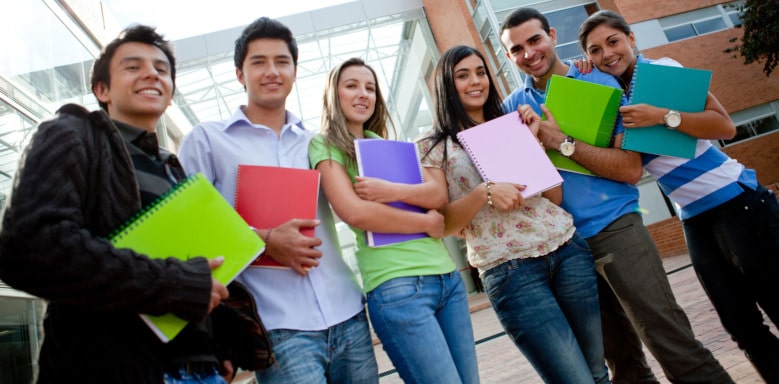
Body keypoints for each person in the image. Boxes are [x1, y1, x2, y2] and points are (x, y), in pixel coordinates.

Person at [498, 8, 735, 384]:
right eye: (516, 49)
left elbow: (630, 169)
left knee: (671, 343)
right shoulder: (512, 107)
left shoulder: (599, 83)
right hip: (565, 249)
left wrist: (561, 142)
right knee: (622, 365)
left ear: (552, 36)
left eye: (534, 40)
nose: (529, 53)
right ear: (508, 57)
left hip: (616, 229)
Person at [0, 25, 232, 383]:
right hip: (113, 368)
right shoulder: (71, 134)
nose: (152, 73)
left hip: (200, 370)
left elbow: (194, 269)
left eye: (161, 68)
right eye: (133, 66)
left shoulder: (174, 168)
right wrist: (176, 285)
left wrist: (215, 346)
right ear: (102, 89)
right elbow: (31, 246)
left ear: (170, 94)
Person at [579, 10, 779, 382]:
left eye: (612, 42)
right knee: (742, 327)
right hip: (694, 220)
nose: (606, 54)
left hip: (737, 202)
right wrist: (580, 75)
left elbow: (725, 125)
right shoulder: (610, 98)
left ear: (631, 38)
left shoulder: (663, 69)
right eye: (595, 50)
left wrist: (662, 116)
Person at [178, 17, 379, 384]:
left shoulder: (318, 142)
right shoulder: (207, 140)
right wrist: (265, 239)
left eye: (281, 62)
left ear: (294, 71)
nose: (271, 71)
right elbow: (189, 232)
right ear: (239, 74)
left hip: (348, 314)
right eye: (258, 62)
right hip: (279, 327)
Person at [419, 45, 610, 384]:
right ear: (447, 85)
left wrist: (534, 145)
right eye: (463, 75)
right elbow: (443, 225)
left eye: (480, 72)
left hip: (568, 250)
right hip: (510, 271)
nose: (476, 81)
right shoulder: (433, 148)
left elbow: (554, 196)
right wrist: (483, 193)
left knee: (597, 374)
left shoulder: (513, 124)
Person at [308, 57, 480, 384]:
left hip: (446, 278)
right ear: (334, 94)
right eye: (352, 86)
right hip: (397, 285)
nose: (363, 94)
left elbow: (436, 195)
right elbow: (355, 212)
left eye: (370, 88)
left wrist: (390, 190)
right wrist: (425, 224)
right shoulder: (325, 145)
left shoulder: (384, 145)